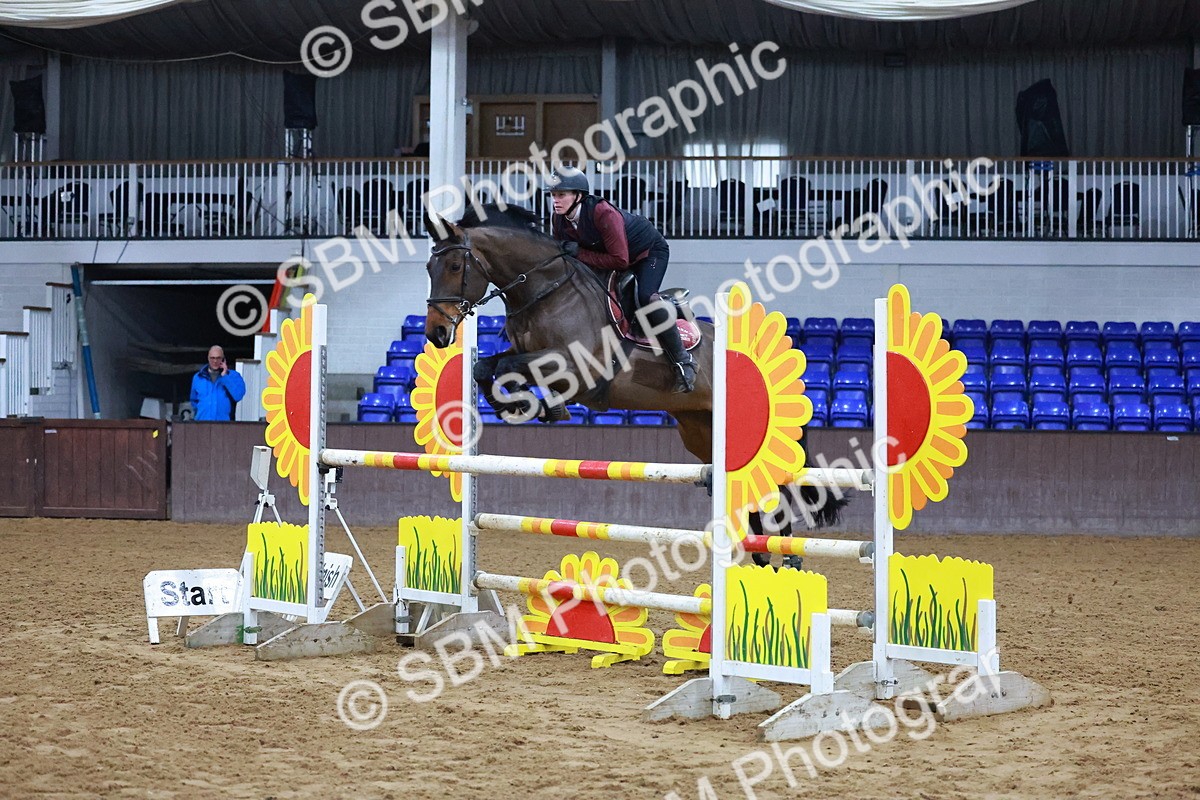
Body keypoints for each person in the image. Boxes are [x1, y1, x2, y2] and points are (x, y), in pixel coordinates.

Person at [547, 167, 697, 393]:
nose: (556, 201)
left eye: (562, 195)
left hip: (648, 252)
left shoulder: (602, 213)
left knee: (646, 297)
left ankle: (683, 362)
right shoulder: (559, 219)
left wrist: (579, 253)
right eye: (553, 195)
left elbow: (620, 261)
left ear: (578, 196)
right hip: (611, 256)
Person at [190, 345, 246, 421]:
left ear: (223, 359)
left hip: (224, 425)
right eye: (212, 358)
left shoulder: (233, 376)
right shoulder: (198, 377)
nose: (215, 361)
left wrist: (225, 376)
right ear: (208, 358)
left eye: (218, 358)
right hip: (202, 424)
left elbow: (238, 396)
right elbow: (194, 400)